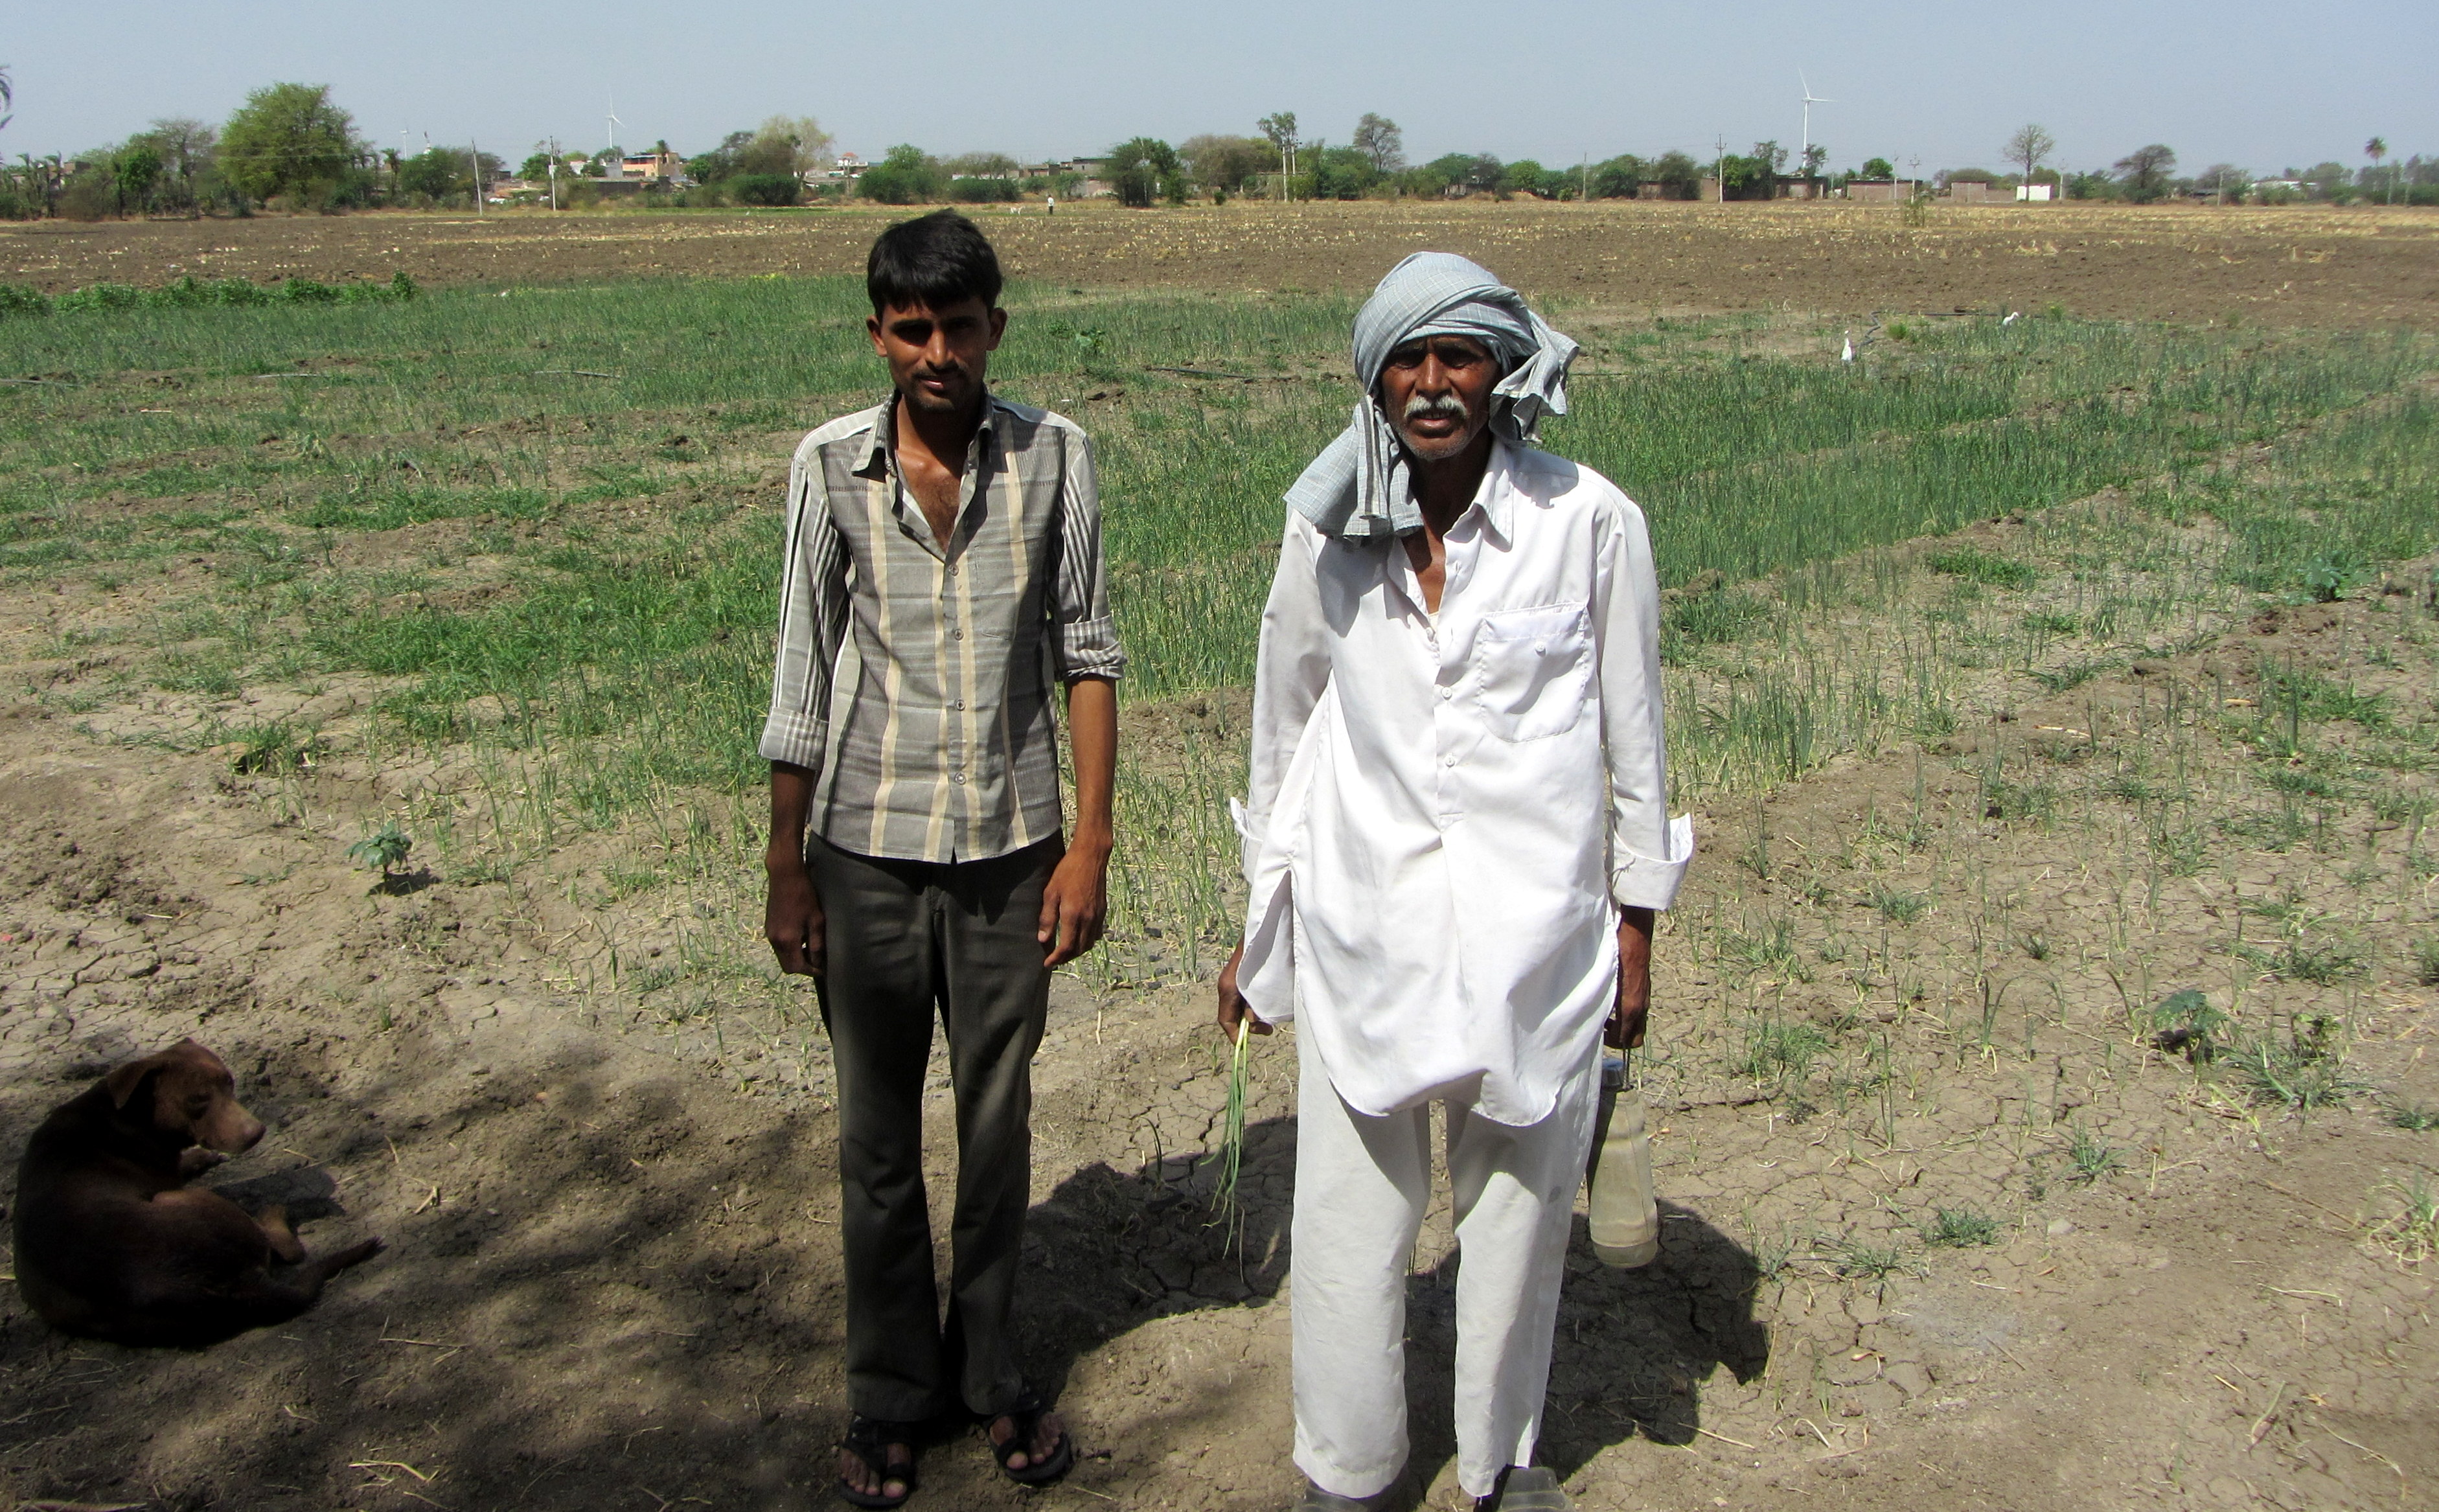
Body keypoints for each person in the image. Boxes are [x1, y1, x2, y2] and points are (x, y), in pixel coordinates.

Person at [1217, 253, 1692, 1512]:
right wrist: (1258, 929)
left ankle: (1496, 1465)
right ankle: (1348, 1468)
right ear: (1374, 379)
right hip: (1361, 922)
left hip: (1535, 934)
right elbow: (1287, 723)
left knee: (1516, 1217)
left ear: (1501, 371)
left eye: (1456, 357)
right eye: (1405, 362)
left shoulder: (1587, 523)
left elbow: (1634, 743)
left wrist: (1634, 924)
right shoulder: (1324, 526)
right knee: (1346, 1221)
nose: (1430, 385)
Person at [761, 209, 1122, 1508]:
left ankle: (992, 1375)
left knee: (994, 1128)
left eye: (956, 327)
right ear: (877, 334)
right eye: (909, 329)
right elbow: (802, 669)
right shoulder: (826, 467)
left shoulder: (1056, 460)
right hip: (860, 852)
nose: (934, 351)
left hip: (1010, 852)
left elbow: (1085, 651)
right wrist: (783, 864)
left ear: (992, 331)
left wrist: (1087, 843)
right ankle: (888, 1392)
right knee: (873, 1142)